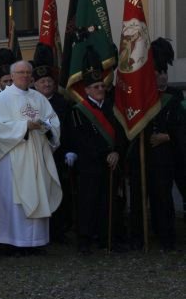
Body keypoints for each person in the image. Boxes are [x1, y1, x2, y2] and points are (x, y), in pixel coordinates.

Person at [0, 60, 62, 252]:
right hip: (13, 155)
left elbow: (53, 120)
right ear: (12, 76)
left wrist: (46, 126)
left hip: (37, 151)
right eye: (21, 72)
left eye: (29, 73)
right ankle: (11, 241)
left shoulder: (38, 97)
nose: (26, 76)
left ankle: (36, 241)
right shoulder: (2, 98)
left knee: (38, 192)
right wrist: (24, 127)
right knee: (13, 198)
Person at [65, 47, 126, 254]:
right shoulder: (78, 112)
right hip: (90, 165)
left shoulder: (113, 108)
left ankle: (108, 238)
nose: (100, 89)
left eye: (102, 85)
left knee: (110, 203)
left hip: (112, 163)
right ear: (87, 90)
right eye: (96, 86)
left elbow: (121, 133)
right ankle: (85, 240)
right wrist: (104, 154)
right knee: (88, 203)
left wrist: (116, 151)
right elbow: (80, 140)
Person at [128, 38, 185, 251]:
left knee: (162, 196)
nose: (161, 78)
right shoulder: (140, 97)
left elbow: (182, 125)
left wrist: (168, 136)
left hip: (164, 155)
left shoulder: (175, 95)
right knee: (138, 195)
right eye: (157, 73)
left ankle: (166, 237)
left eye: (164, 74)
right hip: (141, 152)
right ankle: (137, 236)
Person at [32, 43, 73, 244]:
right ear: (35, 85)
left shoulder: (62, 102)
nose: (46, 84)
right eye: (42, 82)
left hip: (58, 153)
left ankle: (59, 230)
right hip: (37, 154)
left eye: (49, 81)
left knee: (59, 190)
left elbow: (69, 129)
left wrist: (69, 150)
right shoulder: (30, 103)